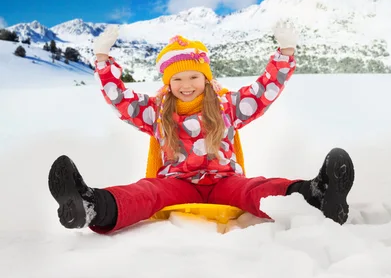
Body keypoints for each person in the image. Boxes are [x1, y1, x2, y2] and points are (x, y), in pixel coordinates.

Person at [48, 22, 355, 233]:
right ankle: (90, 205)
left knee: (255, 189)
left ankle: (317, 195)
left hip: (224, 181)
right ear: (168, 83)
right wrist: (102, 60)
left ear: (206, 78)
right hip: (177, 183)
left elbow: (264, 91)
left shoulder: (226, 107)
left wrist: (284, 56)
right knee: (146, 192)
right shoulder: (156, 112)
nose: (186, 85)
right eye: (177, 79)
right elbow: (120, 99)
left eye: (194, 77)